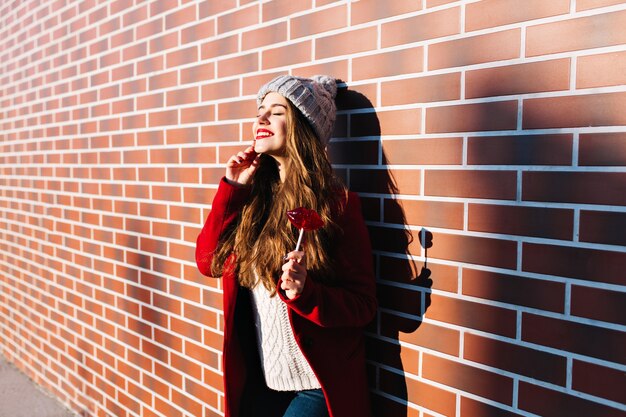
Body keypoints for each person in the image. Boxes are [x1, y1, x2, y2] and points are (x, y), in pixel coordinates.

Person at [195, 75, 377, 417]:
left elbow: (363, 305)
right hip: (262, 386)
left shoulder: (335, 206)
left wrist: (307, 294)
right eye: (260, 110)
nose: (261, 119)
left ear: (303, 128)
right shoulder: (249, 200)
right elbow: (208, 262)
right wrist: (232, 188)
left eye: (276, 111)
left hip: (315, 386)